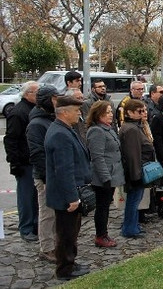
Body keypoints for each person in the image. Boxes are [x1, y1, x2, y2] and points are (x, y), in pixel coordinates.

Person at [45, 96, 91, 281]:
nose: (79, 113)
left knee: (71, 232)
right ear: (64, 112)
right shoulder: (59, 134)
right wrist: (72, 197)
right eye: (76, 110)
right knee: (65, 234)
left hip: (71, 191)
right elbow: (64, 170)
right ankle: (65, 270)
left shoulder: (65, 129)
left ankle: (70, 261)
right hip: (66, 195)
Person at [26, 85, 59, 262]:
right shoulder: (37, 124)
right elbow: (37, 154)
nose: (57, 102)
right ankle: (46, 248)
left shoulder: (49, 119)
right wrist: (47, 178)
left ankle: (54, 243)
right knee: (47, 213)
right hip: (45, 176)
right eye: (54, 98)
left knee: (55, 213)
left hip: (55, 173)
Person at [85, 101, 125, 247]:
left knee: (105, 206)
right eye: (107, 112)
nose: (110, 115)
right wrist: (105, 177)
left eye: (110, 112)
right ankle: (101, 235)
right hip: (104, 176)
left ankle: (103, 233)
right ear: (99, 114)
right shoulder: (96, 131)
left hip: (113, 173)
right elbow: (97, 157)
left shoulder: (108, 129)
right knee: (102, 207)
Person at [4, 81, 39, 242]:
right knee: (26, 197)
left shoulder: (35, 110)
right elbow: (11, 140)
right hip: (24, 163)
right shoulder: (18, 112)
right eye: (36, 93)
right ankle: (26, 228)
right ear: (27, 94)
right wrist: (15, 163)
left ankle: (35, 225)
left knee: (36, 197)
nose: (38, 96)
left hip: (33, 160)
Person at [118, 99, 153, 238]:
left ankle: (133, 225)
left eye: (144, 110)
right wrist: (136, 175)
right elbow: (133, 154)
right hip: (135, 171)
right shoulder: (131, 129)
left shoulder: (134, 127)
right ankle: (129, 228)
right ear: (130, 113)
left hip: (137, 169)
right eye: (140, 111)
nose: (143, 113)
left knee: (135, 200)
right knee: (133, 201)